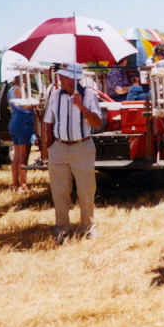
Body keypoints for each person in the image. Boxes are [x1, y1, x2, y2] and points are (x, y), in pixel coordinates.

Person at [43, 63, 102, 243]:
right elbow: (48, 121)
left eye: (64, 76)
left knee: (86, 191)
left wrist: (82, 107)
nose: (61, 79)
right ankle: (62, 228)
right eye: (61, 76)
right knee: (59, 191)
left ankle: (88, 227)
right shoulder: (55, 95)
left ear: (75, 79)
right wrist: (48, 148)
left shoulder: (90, 95)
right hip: (59, 147)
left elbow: (97, 123)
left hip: (82, 147)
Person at [7, 77, 35, 192]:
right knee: (23, 156)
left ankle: (15, 184)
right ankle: (23, 184)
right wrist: (35, 102)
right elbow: (25, 106)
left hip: (15, 121)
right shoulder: (19, 89)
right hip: (23, 122)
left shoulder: (10, 90)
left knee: (17, 156)